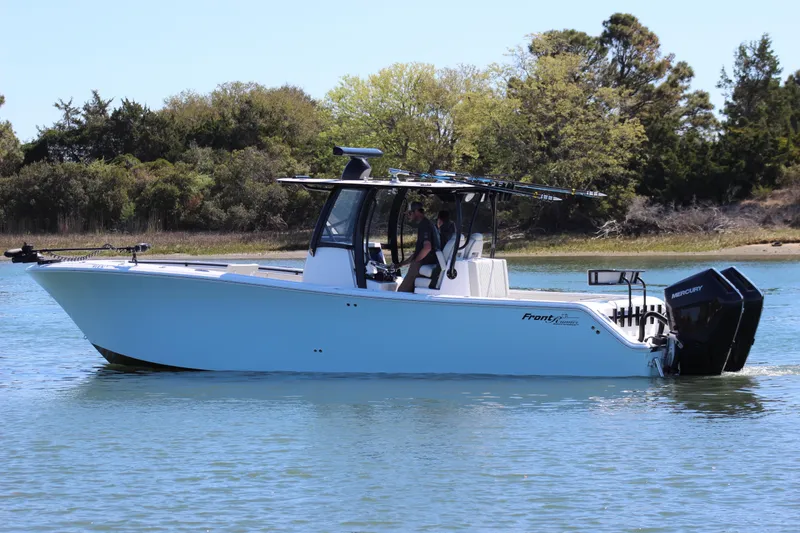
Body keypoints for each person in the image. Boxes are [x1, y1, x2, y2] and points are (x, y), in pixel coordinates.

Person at [395, 201, 440, 293]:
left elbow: (427, 248)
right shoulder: (429, 224)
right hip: (427, 262)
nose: (408, 216)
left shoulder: (424, 225)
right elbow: (418, 253)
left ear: (416, 212)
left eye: (409, 213)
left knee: (401, 292)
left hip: (422, 263)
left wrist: (415, 262)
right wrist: (401, 264)